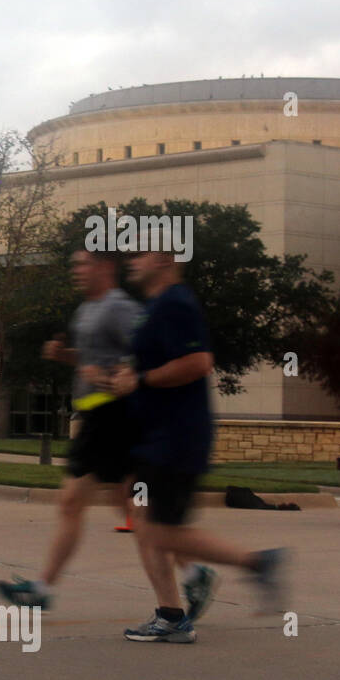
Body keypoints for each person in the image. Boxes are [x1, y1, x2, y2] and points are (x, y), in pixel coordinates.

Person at [108, 247, 285, 642]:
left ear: (165, 259)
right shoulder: (154, 308)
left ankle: (256, 563)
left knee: (158, 530)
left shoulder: (176, 303)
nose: (131, 260)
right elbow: (147, 365)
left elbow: (199, 362)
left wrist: (141, 380)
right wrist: (126, 376)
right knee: (141, 517)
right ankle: (171, 614)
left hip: (175, 438)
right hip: (152, 437)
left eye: (141, 253)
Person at [0, 247, 147, 610]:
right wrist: (66, 356)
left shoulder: (119, 307)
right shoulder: (87, 309)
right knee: (125, 505)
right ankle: (191, 572)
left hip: (114, 415)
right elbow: (93, 360)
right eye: (74, 263)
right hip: (97, 416)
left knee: (75, 502)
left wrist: (112, 376)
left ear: (105, 266)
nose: (76, 270)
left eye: (82, 263)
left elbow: (147, 352)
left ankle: (42, 589)